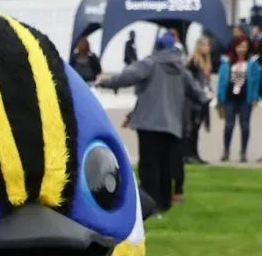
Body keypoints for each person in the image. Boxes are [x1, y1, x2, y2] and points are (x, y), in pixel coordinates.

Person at [97, 33, 209, 215]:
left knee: (149, 166)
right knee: (166, 166)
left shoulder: (150, 64)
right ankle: (165, 202)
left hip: (149, 124)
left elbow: (127, 76)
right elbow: (198, 94)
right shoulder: (181, 69)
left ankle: (149, 204)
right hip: (173, 126)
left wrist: (104, 82)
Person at [175, 35, 213, 202]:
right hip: (193, 101)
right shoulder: (192, 64)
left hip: (202, 98)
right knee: (191, 128)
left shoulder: (206, 63)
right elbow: (191, 84)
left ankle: (194, 153)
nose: (207, 48)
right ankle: (188, 153)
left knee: (197, 128)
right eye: (204, 45)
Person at [216, 36, 260, 163]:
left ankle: (243, 151)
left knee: (245, 125)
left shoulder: (252, 63)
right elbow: (221, 80)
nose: (242, 49)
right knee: (229, 124)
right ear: (234, 47)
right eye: (239, 46)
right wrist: (220, 96)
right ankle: (226, 150)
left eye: (244, 46)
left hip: (245, 99)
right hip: (230, 98)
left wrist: (255, 96)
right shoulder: (227, 62)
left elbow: (256, 81)